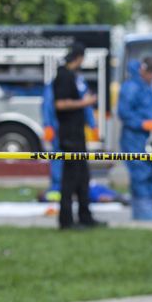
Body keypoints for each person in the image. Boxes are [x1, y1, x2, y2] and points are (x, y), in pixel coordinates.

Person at [53, 42, 104, 230]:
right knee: (70, 179)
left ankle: (85, 217)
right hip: (69, 135)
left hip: (77, 134)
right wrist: (85, 102)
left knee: (83, 178)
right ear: (79, 57)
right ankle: (66, 220)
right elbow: (60, 104)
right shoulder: (63, 76)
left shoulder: (74, 76)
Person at [117, 57, 152, 221]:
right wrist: (142, 123)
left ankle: (150, 205)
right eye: (149, 72)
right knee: (140, 172)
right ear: (142, 69)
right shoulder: (131, 87)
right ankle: (141, 209)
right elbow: (124, 112)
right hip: (135, 137)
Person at [41, 68, 97, 200]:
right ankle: (57, 189)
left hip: (75, 130)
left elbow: (86, 106)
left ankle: (76, 192)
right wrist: (48, 125)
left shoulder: (80, 83)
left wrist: (93, 125)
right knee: (59, 159)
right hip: (60, 128)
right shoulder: (58, 83)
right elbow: (48, 105)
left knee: (77, 163)